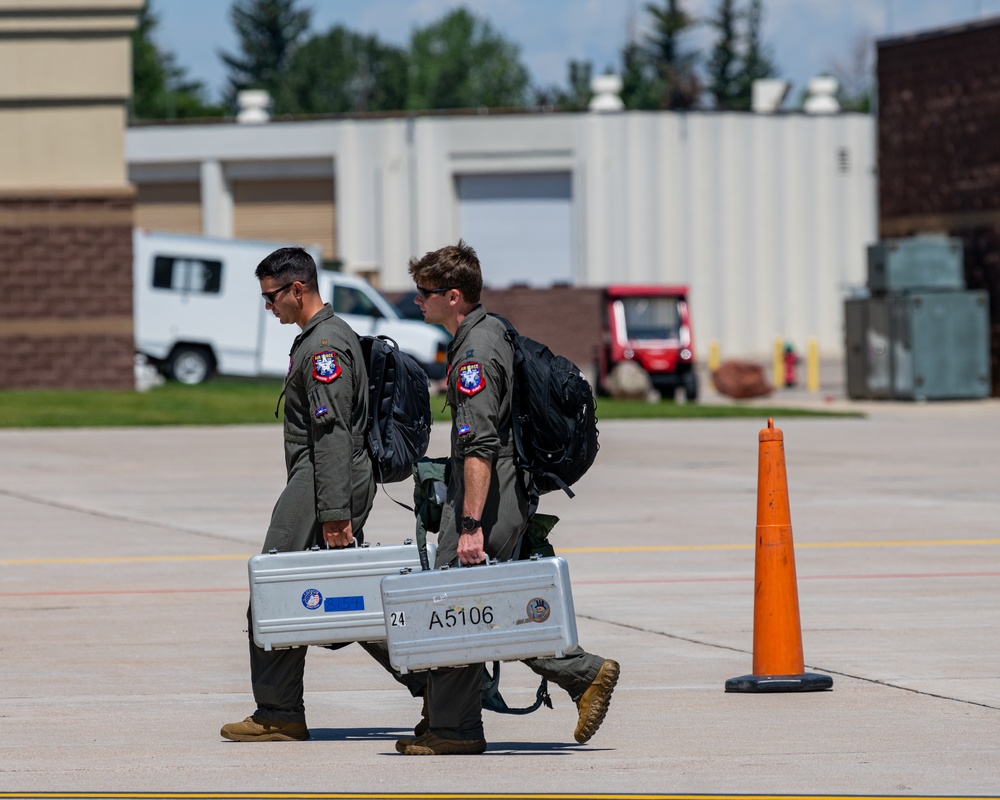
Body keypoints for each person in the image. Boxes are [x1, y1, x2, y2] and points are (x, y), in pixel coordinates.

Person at [396, 240, 620, 756]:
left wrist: (471, 523)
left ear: (453, 297)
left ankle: (574, 678)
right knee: (472, 606)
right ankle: (452, 722)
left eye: (424, 293)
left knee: (465, 604)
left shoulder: (474, 353)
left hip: (488, 500)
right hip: (500, 494)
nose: (417, 302)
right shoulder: (490, 332)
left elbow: (478, 446)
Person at [221, 247, 424, 742]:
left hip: (322, 482)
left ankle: (278, 712)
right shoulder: (322, 337)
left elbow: (331, 437)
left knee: (273, 591)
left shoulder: (323, 349)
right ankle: (442, 685)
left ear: (298, 289)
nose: (269, 308)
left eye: (271, 297)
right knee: (343, 598)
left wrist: (334, 513)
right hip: (325, 481)